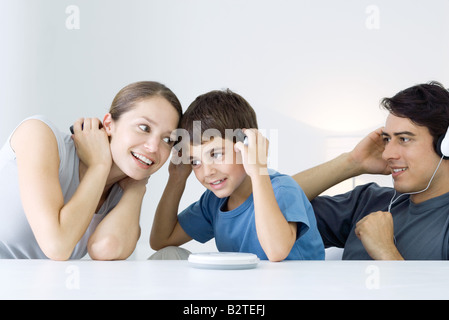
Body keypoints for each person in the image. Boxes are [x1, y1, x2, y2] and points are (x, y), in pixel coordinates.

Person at [0, 81, 182, 260]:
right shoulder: (38, 134)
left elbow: (106, 249)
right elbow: (57, 246)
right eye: (144, 128)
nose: (153, 147)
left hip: (33, 287)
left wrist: (137, 187)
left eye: (167, 140)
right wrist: (99, 165)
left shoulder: (122, 192)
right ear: (109, 124)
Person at [150, 89, 324, 261]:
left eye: (216, 154)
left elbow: (276, 251)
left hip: (292, 287)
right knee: (167, 255)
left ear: (248, 145)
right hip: (243, 286)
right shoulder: (213, 202)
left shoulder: (282, 189)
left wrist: (257, 170)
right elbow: (161, 241)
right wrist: (176, 178)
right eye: (195, 162)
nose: (207, 172)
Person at [292, 81, 449, 260]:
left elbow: (433, 289)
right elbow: (270, 206)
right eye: (387, 139)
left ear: (445, 146)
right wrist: (352, 162)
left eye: (404, 139)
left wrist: (385, 251)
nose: (387, 154)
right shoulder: (367, 202)